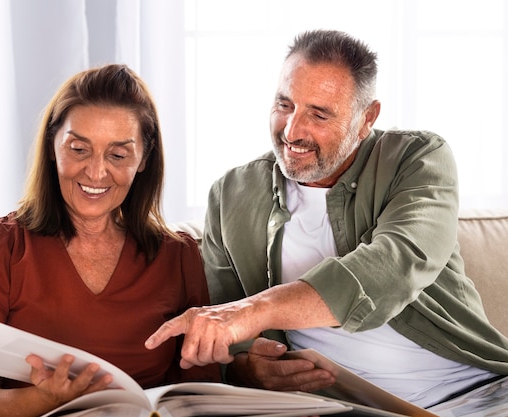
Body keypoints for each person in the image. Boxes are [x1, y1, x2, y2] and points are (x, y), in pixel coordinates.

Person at [146, 29, 508, 408]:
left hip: (478, 394)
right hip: (343, 406)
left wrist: (253, 312)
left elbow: (394, 265)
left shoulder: (416, 159)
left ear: (366, 118)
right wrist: (248, 369)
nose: (292, 131)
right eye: (284, 105)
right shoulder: (231, 194)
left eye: (318, 114)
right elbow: (227, 335)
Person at [0, 64, 220, 417]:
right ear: (53, 147)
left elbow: (200, 391)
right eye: (79, 149)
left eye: (118, 155)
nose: (96, 172)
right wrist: (45, 399)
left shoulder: (177, 254)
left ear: (144, 159)